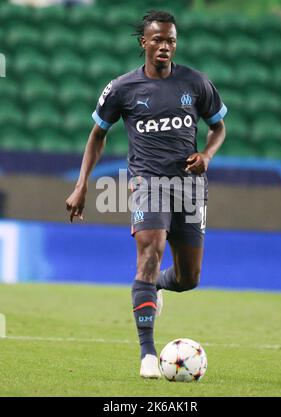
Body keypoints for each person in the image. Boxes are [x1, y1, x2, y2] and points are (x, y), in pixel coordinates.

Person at [66, 10, 227, 379]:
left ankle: (152, 286)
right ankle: (148, 354)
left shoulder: (197, 83)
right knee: (150, 251)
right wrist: (81, 185)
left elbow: (219, 128)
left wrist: (206, 154)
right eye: (157, 39)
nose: (164, 46)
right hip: (147, 184)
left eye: (170, 40)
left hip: (189, 188)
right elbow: (97, 135)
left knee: (189, 278)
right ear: (144, 43)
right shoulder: (122, 88)